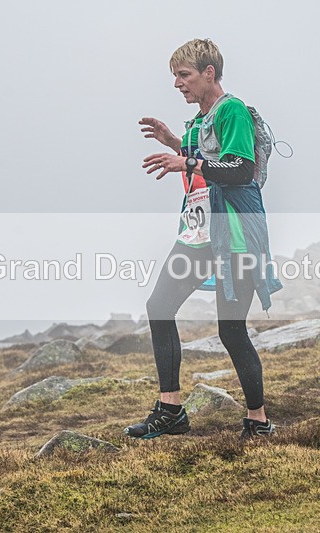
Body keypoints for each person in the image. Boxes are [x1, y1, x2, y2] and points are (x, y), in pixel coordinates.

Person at [124, 38, 281, 440]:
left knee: (230, 329)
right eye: (175, 76)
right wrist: (174, 143)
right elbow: (204, 158)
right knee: (159, 306)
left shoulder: (232, 110)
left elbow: (239, 168)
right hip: (198, 233)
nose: (178, 84)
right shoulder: (198, 120)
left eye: (184, 75)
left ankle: (258, 420)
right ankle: (172, 409)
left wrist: (187, 159)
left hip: (234, 234)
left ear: (209, 72)